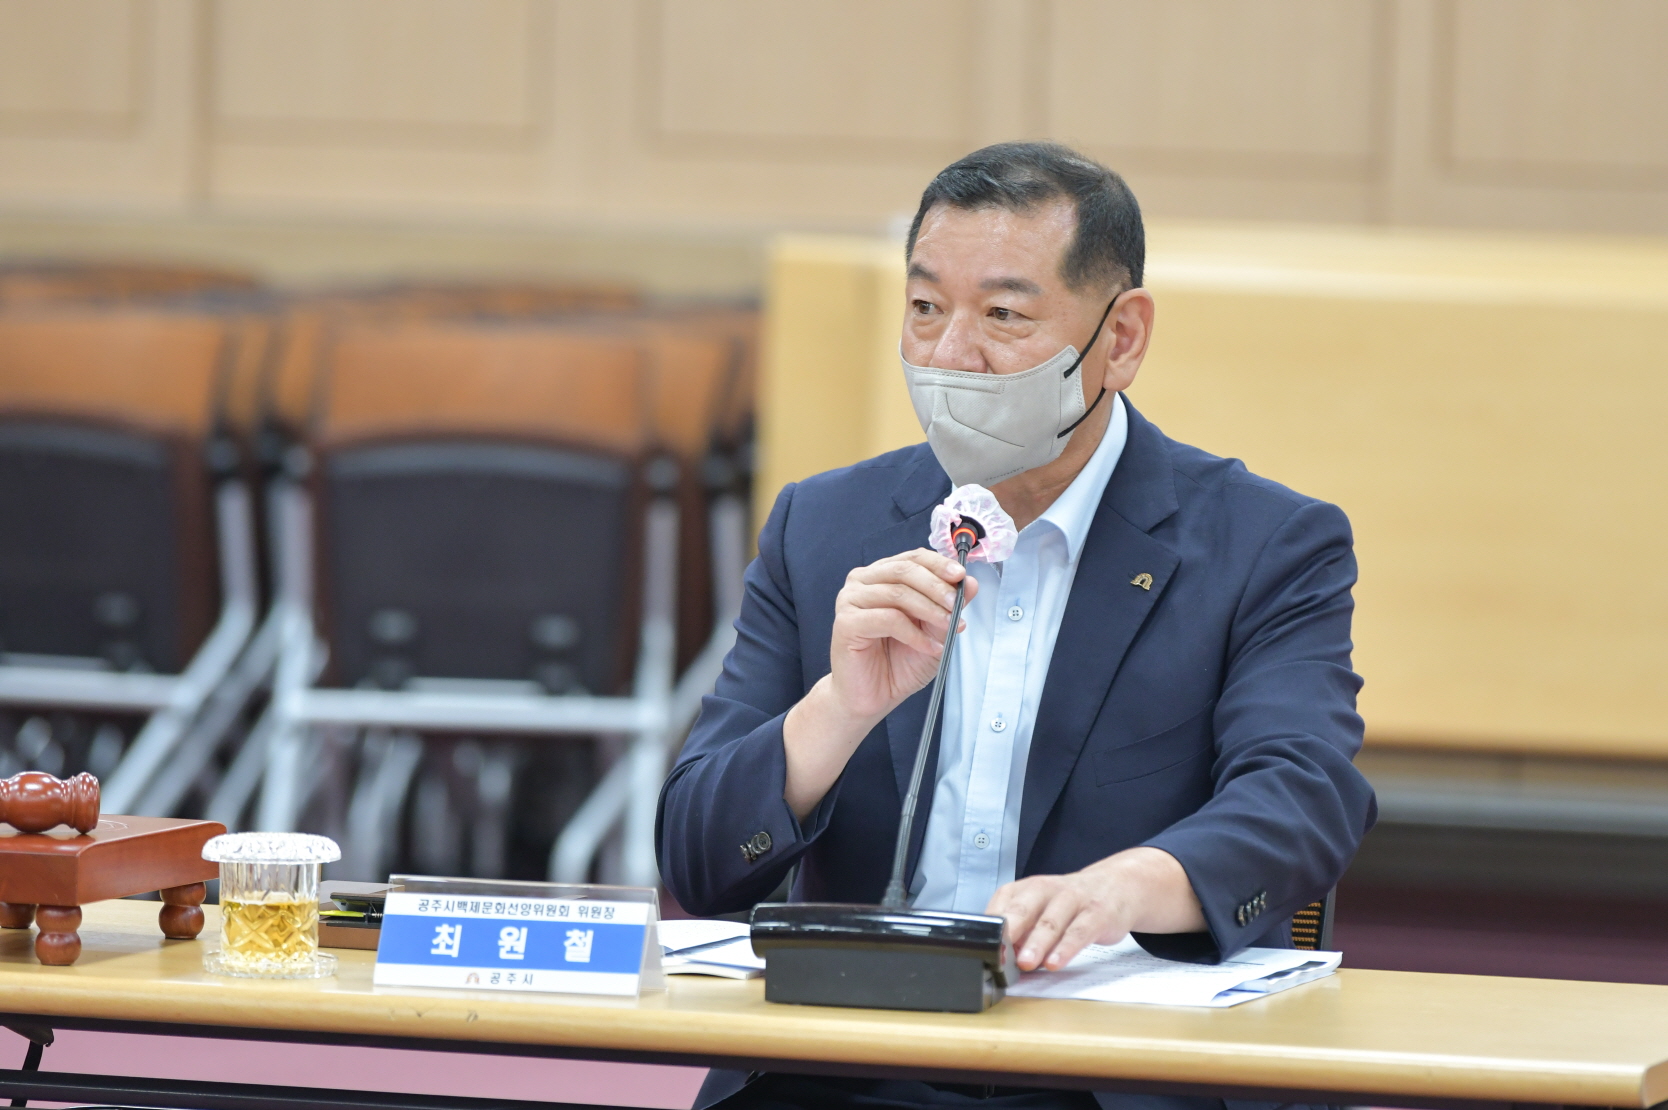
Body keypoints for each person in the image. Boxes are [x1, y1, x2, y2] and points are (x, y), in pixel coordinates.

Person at [657, 142, 1377, 1110]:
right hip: (850, 1068)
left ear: (1122, 338)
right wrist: (837, 709)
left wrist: (1117, 891)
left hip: (1108, 1074)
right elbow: (698, 862)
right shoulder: (823, 527)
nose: (952, 355)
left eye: (1003, 316)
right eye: (925, 308)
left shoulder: (1263, 545)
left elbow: (1304, 798)